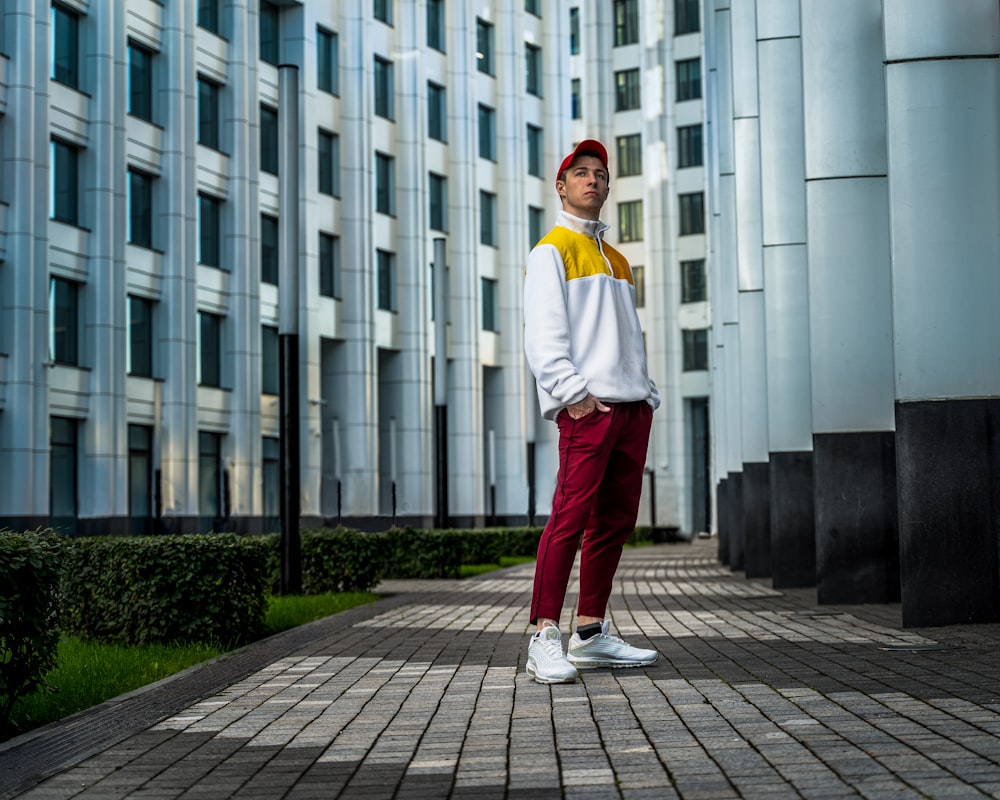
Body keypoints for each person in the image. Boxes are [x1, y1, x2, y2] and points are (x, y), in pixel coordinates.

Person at [522, 138, 661, 684]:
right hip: (588, 408)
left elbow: (627, 336)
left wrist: (646, 393)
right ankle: (542, 635)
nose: (593, 181)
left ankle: (590, 633)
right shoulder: (551, 250)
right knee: (569, 518)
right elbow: (543, 337)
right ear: (562, 186)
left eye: (600, 174)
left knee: (615, 522)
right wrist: (572, 394)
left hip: (629, 409)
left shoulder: (618, 260)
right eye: (581, 173)